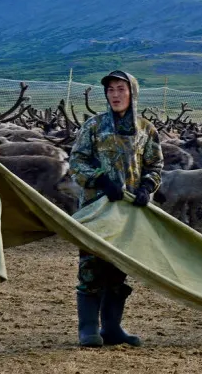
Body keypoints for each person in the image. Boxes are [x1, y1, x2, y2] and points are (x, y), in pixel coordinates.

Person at [68, 70, 163, 348]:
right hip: (96, 210)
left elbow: (155, 165)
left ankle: (112, 328)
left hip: (129, 213)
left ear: (132, 92)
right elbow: (77, 162)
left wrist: (147, 187)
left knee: (119, 268)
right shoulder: (94, 126)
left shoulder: (146, 129)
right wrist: (99, 179)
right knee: (91, 267)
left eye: (121, 89)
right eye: (110, 90)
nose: (115, 95)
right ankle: (88, 330)